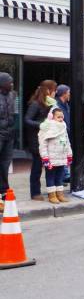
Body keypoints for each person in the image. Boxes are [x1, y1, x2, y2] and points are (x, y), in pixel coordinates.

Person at [25, 79, 57, 200]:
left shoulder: (49, 104)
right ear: (48, 90)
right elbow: (27, 120)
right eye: (54, 90)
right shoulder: (36, 104)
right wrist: (41, 124)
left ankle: (51, 190)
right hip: (36, 140)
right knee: (37, 166)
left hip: (45, 138)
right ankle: (35, 192)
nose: (55, 93)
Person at [38, 108, 72, 204]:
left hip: (61, 157)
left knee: (60, 176)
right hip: (51, 157)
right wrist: (45, 158)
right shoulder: (47, 128)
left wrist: (69, 154)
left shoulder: (63, 126)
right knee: (50, 176)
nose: (61, 119)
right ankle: (52, 195)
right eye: (58, 117)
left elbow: (67, 141)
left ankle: (60, 194)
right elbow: (43, 144)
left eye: (62, 117)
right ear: (52, 117)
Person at [0, 73, 16, 212]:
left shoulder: (12, 95)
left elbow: (12, 115)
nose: (12, 84)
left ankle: (4, 190)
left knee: (5, 164)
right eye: (9, 82)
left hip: (9, 135)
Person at [55, 84, 72, 183]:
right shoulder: (57, 105)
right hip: (60, 134)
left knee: (64, 153)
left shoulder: (66, 104)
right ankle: (61, 176)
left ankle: (65, 174)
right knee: (60, 154)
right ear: (64, 94)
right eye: (68, 92)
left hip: (66, 133)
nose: (69, 94)